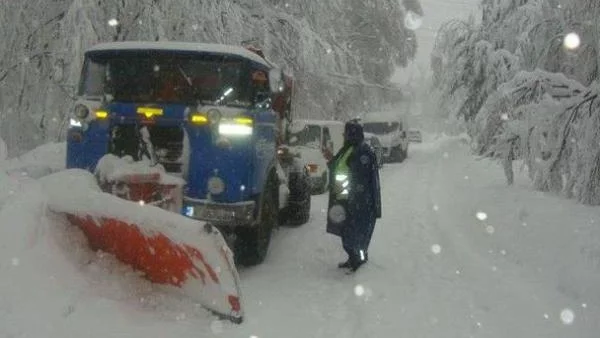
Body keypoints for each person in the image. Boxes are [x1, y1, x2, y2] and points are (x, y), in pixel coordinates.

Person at [327, 120, 382, 272]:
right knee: (347, 232)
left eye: (346, 133)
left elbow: (361, 179)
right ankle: (352, 258)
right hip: (345, 198)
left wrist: (354, 197)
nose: (344, 136)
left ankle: (359, 261)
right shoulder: (349, 149)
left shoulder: (362, 151)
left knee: (358, 232)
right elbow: (338, 166)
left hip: (359, 201)